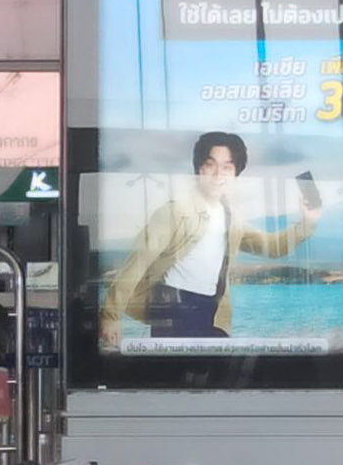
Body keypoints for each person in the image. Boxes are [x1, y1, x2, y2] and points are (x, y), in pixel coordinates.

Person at [99, 131, 321, 346]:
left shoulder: (232, 216)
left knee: (218, 375)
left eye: (227, 167)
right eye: (210, 165)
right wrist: (110, 316)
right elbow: (137, 265)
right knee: (174, 378)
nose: (218, 175)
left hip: (213, 311)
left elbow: (272, 247)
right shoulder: (174, 212)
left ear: (236, 173)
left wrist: (307, 223)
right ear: (198, 168)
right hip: (173, 306)